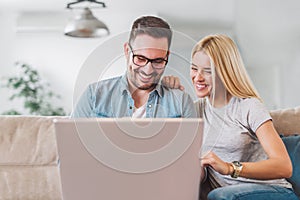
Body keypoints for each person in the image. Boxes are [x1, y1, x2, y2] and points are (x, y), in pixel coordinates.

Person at [163, 34, 298, 199]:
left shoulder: (248, 106)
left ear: (225, 72)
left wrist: (229, 168)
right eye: (194, 68)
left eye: (208, 71)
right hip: (227, 196)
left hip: (273, 192)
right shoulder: (194, 111)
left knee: (219, 196)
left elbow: (284, 166)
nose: (197, 77)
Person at [71, 16, 196, 118]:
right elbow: (69, 143)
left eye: (158, 61)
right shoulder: (94, 96)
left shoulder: (181, 102)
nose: (148, 70)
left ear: (167, 56)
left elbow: (194, 148)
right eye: (140, 59)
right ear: (127, 50)